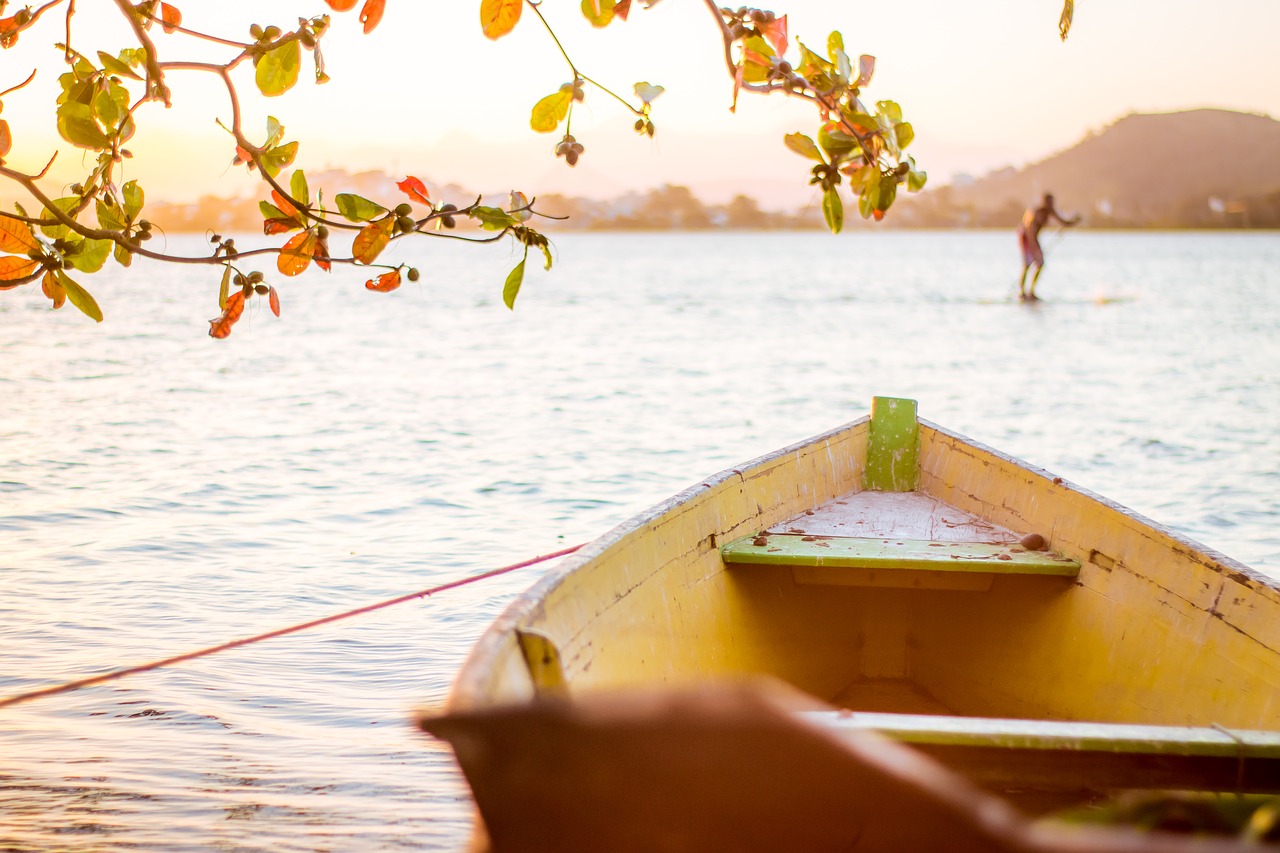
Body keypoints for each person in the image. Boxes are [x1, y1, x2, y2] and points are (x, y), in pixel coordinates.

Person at [1017, 193, 1080, 301]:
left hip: (1034, 238)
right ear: (1044, 202)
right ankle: (1022, 293)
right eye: (1049, 202)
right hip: (1026, 237)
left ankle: (1031, 292)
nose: (1051, 204)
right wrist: (1035, 249)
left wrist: (1074, 221)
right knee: (1027, 264)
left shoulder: (1050, 211)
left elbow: (1064, 222)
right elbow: (1029, 232)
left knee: (1040, 264)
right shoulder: (1037, 212)